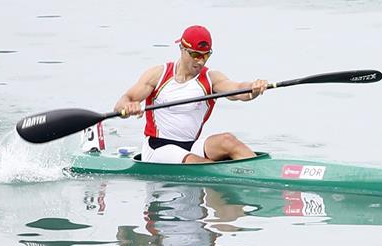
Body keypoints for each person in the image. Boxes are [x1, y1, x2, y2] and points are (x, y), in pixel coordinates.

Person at [114, 25, 268, 164]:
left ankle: (264, 171)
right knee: (196, 161)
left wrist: (253, 87)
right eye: (196, 55)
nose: (201, 61)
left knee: (228, 140)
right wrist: (128, 106)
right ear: (182, 49)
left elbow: (238, 90)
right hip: (158, 147)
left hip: (190, 146)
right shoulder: (158, 75)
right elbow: (122, 103)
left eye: (206, 55)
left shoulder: (211, 78)